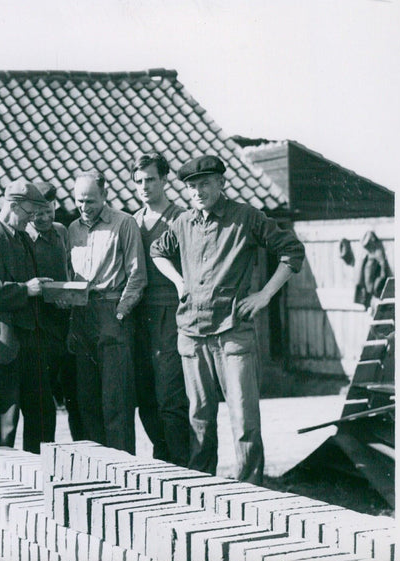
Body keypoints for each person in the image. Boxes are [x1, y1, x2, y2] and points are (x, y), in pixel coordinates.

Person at [150, 155, 305, 484]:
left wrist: (264, 295)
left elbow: (291, 250)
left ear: (222, 183)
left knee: (244, 419)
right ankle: (202, 489)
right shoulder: (182, 223)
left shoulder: (246, 217)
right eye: (191, 186)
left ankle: (249, 492)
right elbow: (158, 251)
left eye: (204, 184)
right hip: (191, 335)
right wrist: (179, 282)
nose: (197, 192)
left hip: (233, 335)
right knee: (199, 418)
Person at [0, 179, 55, 453]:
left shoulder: (23, 238)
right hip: (0, 342)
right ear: (13, 205)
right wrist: (26, 289)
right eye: (29, 213)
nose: (33, 219)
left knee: (42, 416)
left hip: (31, 340)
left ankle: (39, 480)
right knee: (3, 420)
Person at [67, 170, 146, 454]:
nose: (84, 208)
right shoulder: (72, 229)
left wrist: (121, 314)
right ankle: (95, 469)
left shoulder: (124, 223)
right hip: (81, 314)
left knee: (117, 400)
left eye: (90, 201)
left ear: (104, 196)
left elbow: (137, 275)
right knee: (87, 399)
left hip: (112, 312)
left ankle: (122, 472)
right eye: (79, 201)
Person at [130, 152, 190, 466]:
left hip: (170, 313)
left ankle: (183, 465)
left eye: (151, 179)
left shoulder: (182, 218)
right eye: (138, 181)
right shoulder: (132, 221)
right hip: (139, 316)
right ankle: (162, 459)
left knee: (170, 396)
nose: (144, 186)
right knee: (145, 396)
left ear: (164, 180)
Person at [27, 181, 83, 440]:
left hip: (66, 324)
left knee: (77, 398)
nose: (44, 218)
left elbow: (70, 269)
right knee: (41, 403)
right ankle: (39, 459)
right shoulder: (23, 236)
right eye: (38, 213)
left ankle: (84, 454)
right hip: (38, 326)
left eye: (49, 211)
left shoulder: (62, 232)